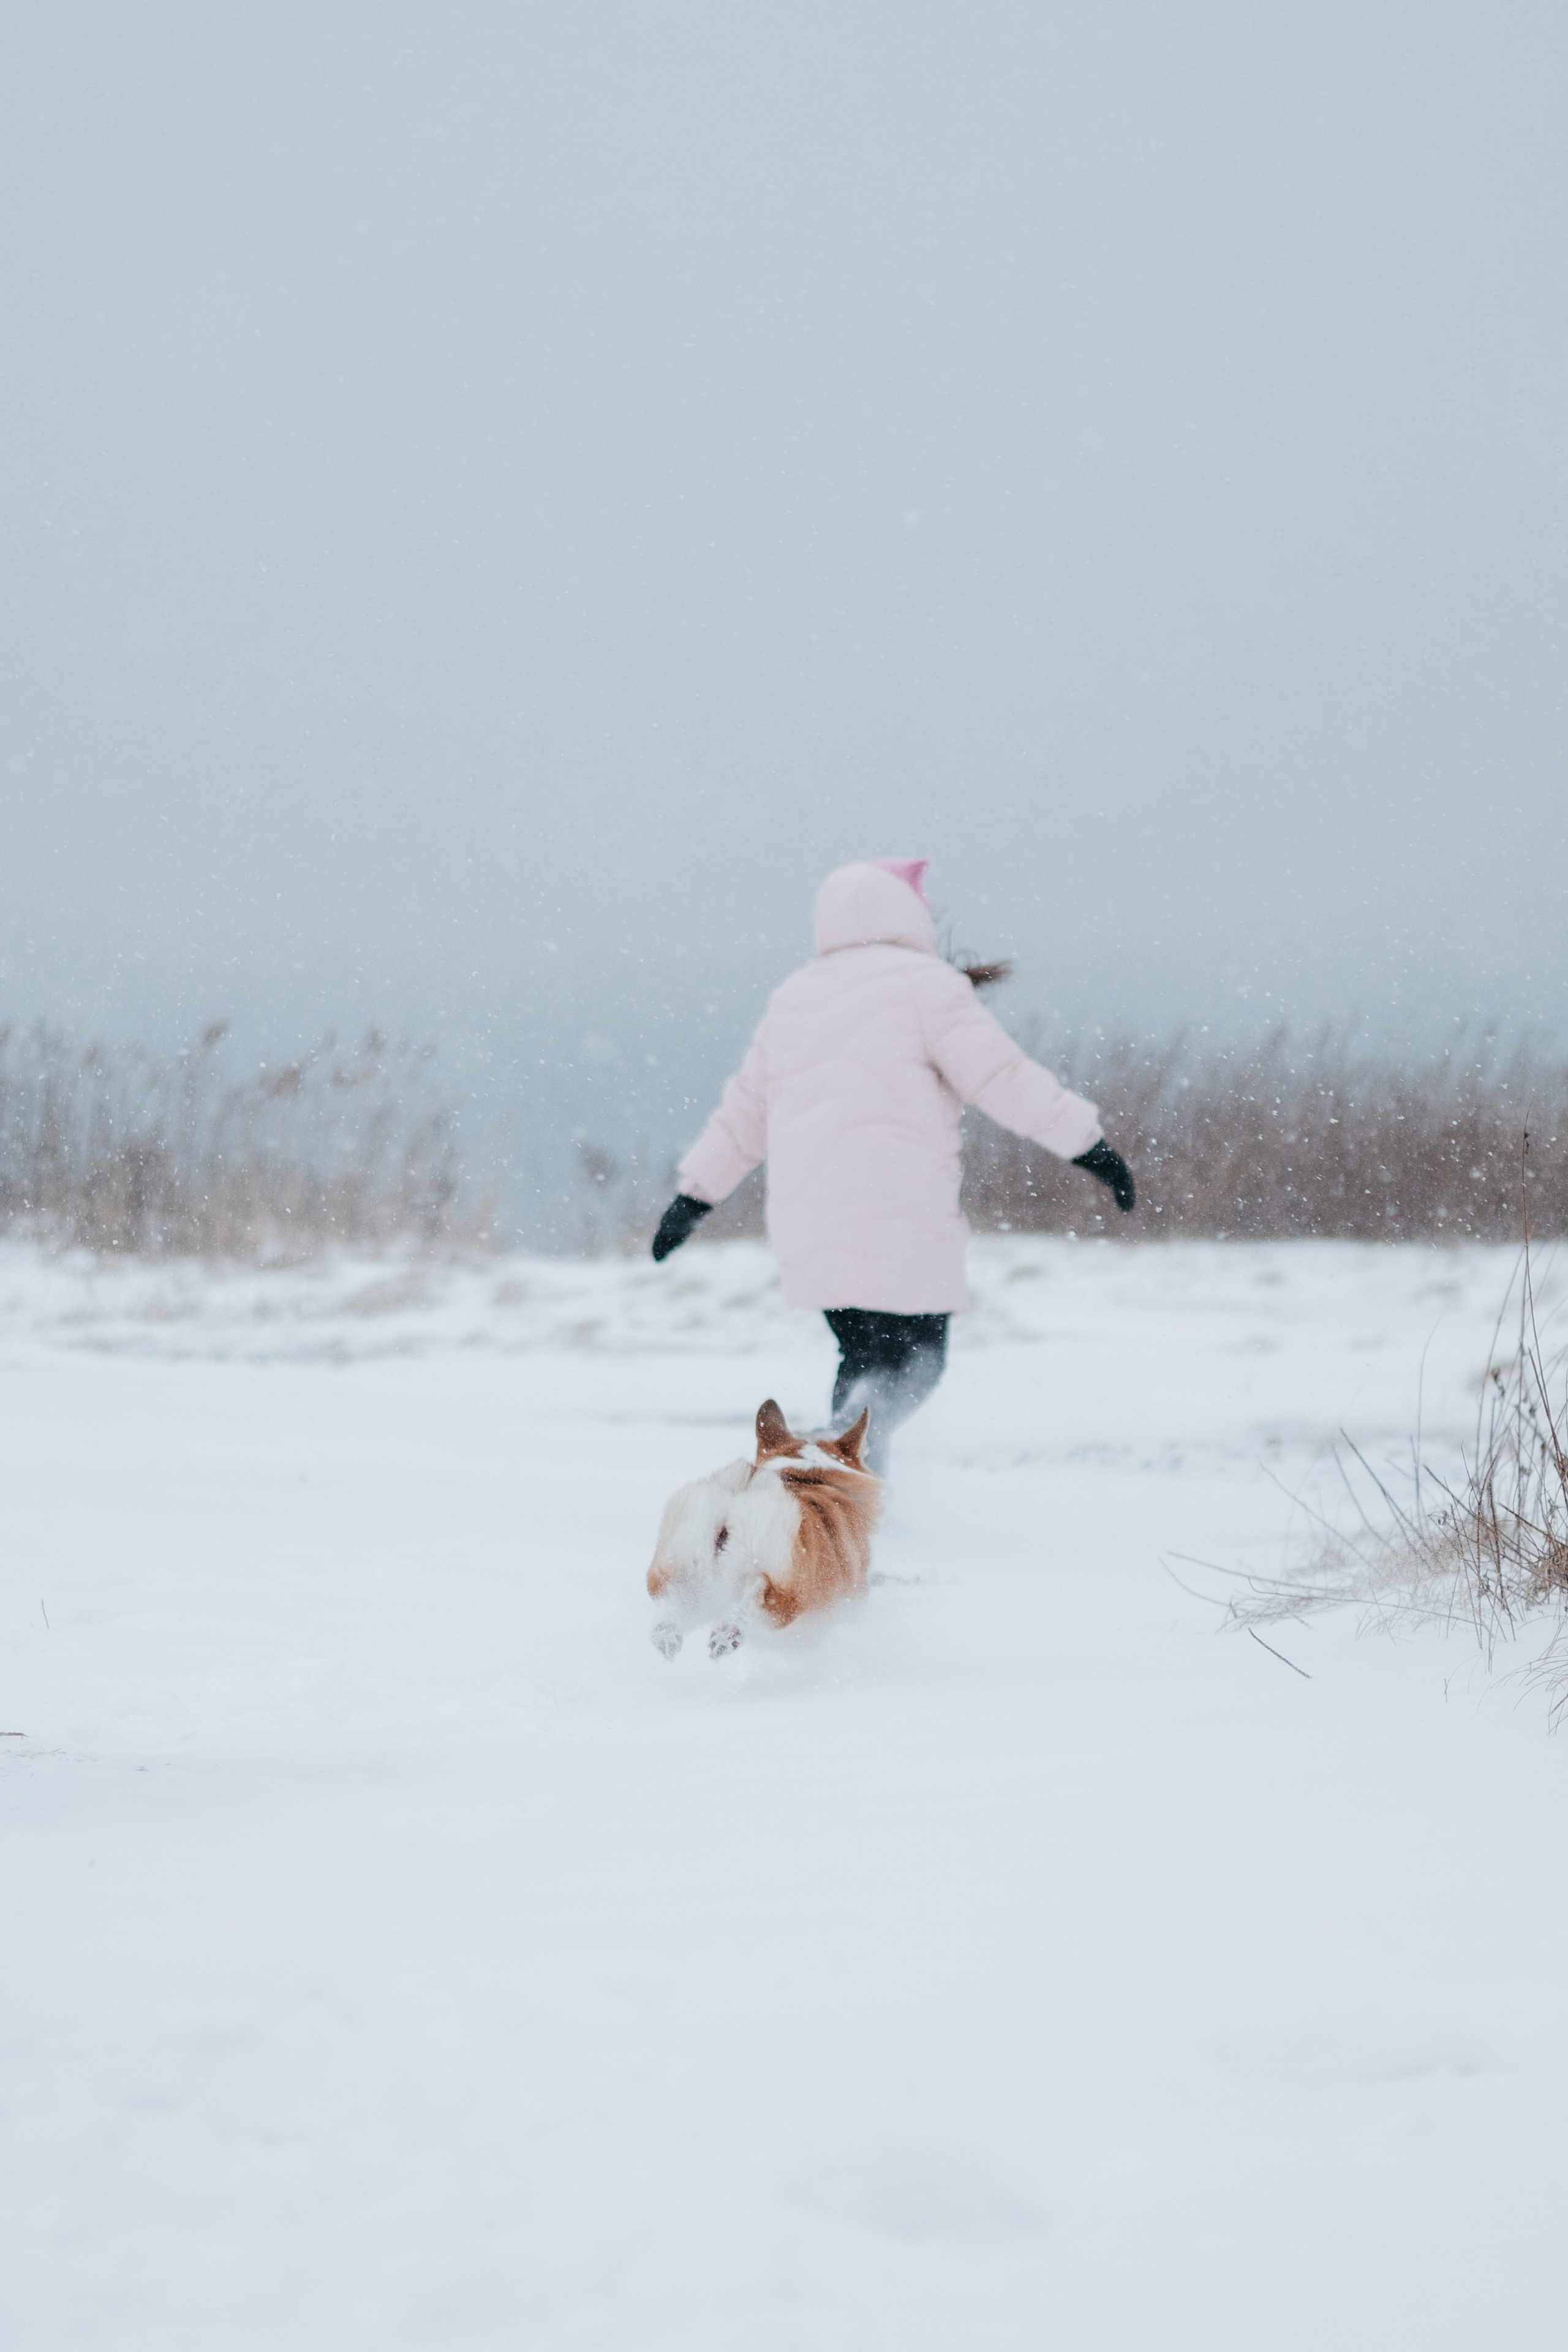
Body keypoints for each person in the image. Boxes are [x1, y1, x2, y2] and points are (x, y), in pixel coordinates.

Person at [650, 859, 1135, 1476]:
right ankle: (853, 1449)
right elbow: (1005, 1080)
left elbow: (743, 1114)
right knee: (917, 1363)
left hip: (813, 1226)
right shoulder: (927, 986)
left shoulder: (795, 997)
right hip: (902, 1217)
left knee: (862, 1355)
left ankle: (842, 1487)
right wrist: (1091, 1148)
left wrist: (691, 1200)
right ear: (908, 914)